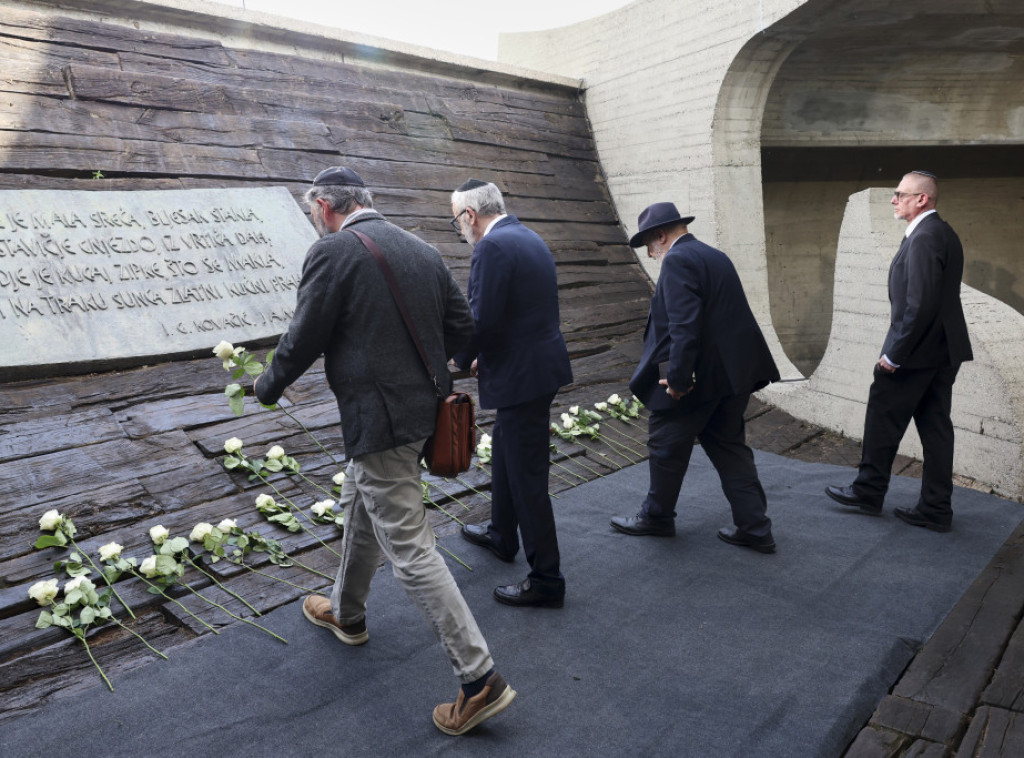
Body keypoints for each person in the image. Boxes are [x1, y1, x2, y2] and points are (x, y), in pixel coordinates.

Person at [254, 166, 515, 736]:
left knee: (413, 550)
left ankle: (479, 678)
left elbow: (304, 336)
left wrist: (266, 385)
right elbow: (463, 329)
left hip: (381, 423)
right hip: (426, 413)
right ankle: (346, 614)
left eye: (311, 212)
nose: (314, 221)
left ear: (325, 206)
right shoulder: (420, 248)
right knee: (358, 504)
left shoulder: (333, 253)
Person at [610, 202, 779, 552]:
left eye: (648, 245)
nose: (650, 254)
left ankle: (657, 518)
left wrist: (678, 380)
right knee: (730, 447)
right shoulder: (713, 255)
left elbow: (684, 327)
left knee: (665, 444)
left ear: (661, 235)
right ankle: (755, 527)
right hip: (733, 378)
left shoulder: (677, 259)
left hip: (700, 382)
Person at [826, 171, 973, 532]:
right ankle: (936, 508)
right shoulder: (942, 232)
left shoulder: (925, 237)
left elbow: (919, 305)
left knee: (883, 415)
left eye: (900, 194)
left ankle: (868, 492)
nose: (894, 200)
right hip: (943, 349)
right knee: (936, 427)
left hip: (918, 352)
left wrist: (894, 354)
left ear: (922, 199)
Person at [450, 179, 572, 608]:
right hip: (536, 368)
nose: (460, 230)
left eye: (457, 221)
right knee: (505, 448)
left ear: (469, 215)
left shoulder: (491, 247)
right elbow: (517, 311)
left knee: (527, 477)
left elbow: (481, 317)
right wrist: (489, 353)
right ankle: (502, 534)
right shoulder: (528, 236)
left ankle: (547, 580)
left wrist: (457, 360)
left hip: (523, 376)